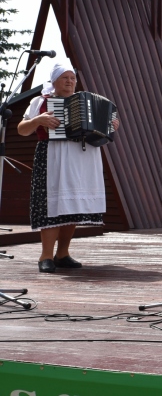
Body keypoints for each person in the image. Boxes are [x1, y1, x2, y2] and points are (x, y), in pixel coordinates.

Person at [17, 61, 120, 273]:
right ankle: (46, 256)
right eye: (65, 78)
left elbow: (101, 131)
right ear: (54, 81)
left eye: (72, 78)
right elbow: (21, 130)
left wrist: (110, 125)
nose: (70, 81)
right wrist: (38, 120)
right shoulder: (40, 102)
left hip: (81, 156)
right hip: (53, 155)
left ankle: (62, 254)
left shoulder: (86, 102)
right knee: (51, 206)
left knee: (71, 206)